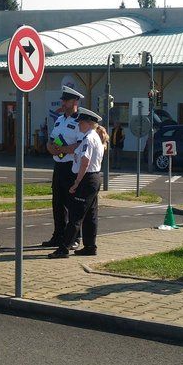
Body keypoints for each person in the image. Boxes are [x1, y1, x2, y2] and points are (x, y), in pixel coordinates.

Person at [49, 108, 107, 258]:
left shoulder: (88, 139)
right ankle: (90, 246)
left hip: (87, 178)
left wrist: (77, 182)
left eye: (80, 122)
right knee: (90, 215)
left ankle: (64, 248)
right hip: (94, 178)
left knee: (75, 215)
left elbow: (84, 162)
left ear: (88, 123)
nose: (79, 125)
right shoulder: (95, 137)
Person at [42, 86, 84, 249]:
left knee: (73, 204)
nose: (63, 103)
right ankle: (58, 236)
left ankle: (74, 238)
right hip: (58, 166)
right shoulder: (60, 119)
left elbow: (81, 144)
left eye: (66, 100)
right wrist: (50, 147)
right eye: (63, 100)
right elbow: (51, 139)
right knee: (57, 203)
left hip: (72, 166)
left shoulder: (80, 120)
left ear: (75, 102)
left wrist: (64, 150)